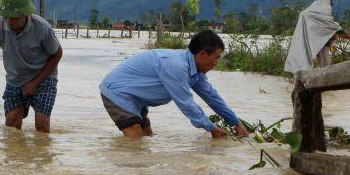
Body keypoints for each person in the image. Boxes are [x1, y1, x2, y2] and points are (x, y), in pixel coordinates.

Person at [99, 30, 250, 138]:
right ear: (203, 54)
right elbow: (186, 103)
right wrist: (212, 128)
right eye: (216, 58)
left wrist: (235, 122)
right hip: (118, 92)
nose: (216, 63)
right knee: (135, 139)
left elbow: (212, 97)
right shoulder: (177, 66)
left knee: (147, 135)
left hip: (137, 98)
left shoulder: (196, 71)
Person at [0, 0, 63, 133]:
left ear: (24, 15)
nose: (8, 21)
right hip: (15, 78)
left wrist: (35, 83)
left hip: (44, 78)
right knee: (11, 125)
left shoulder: (42, 28)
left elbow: (58, 54)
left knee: (41, 125)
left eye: (13, 17)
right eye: (6, 16)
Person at [284, 0, 350, 74]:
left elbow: (324, 24)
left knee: (324, 65)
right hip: (321, 43)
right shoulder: (324, 5)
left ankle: (316, 81)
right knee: (326, 67)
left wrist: (339, 33)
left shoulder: (317, 4)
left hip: (318, 41)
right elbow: (328, 23)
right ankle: (325, 84)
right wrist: (343, 31)